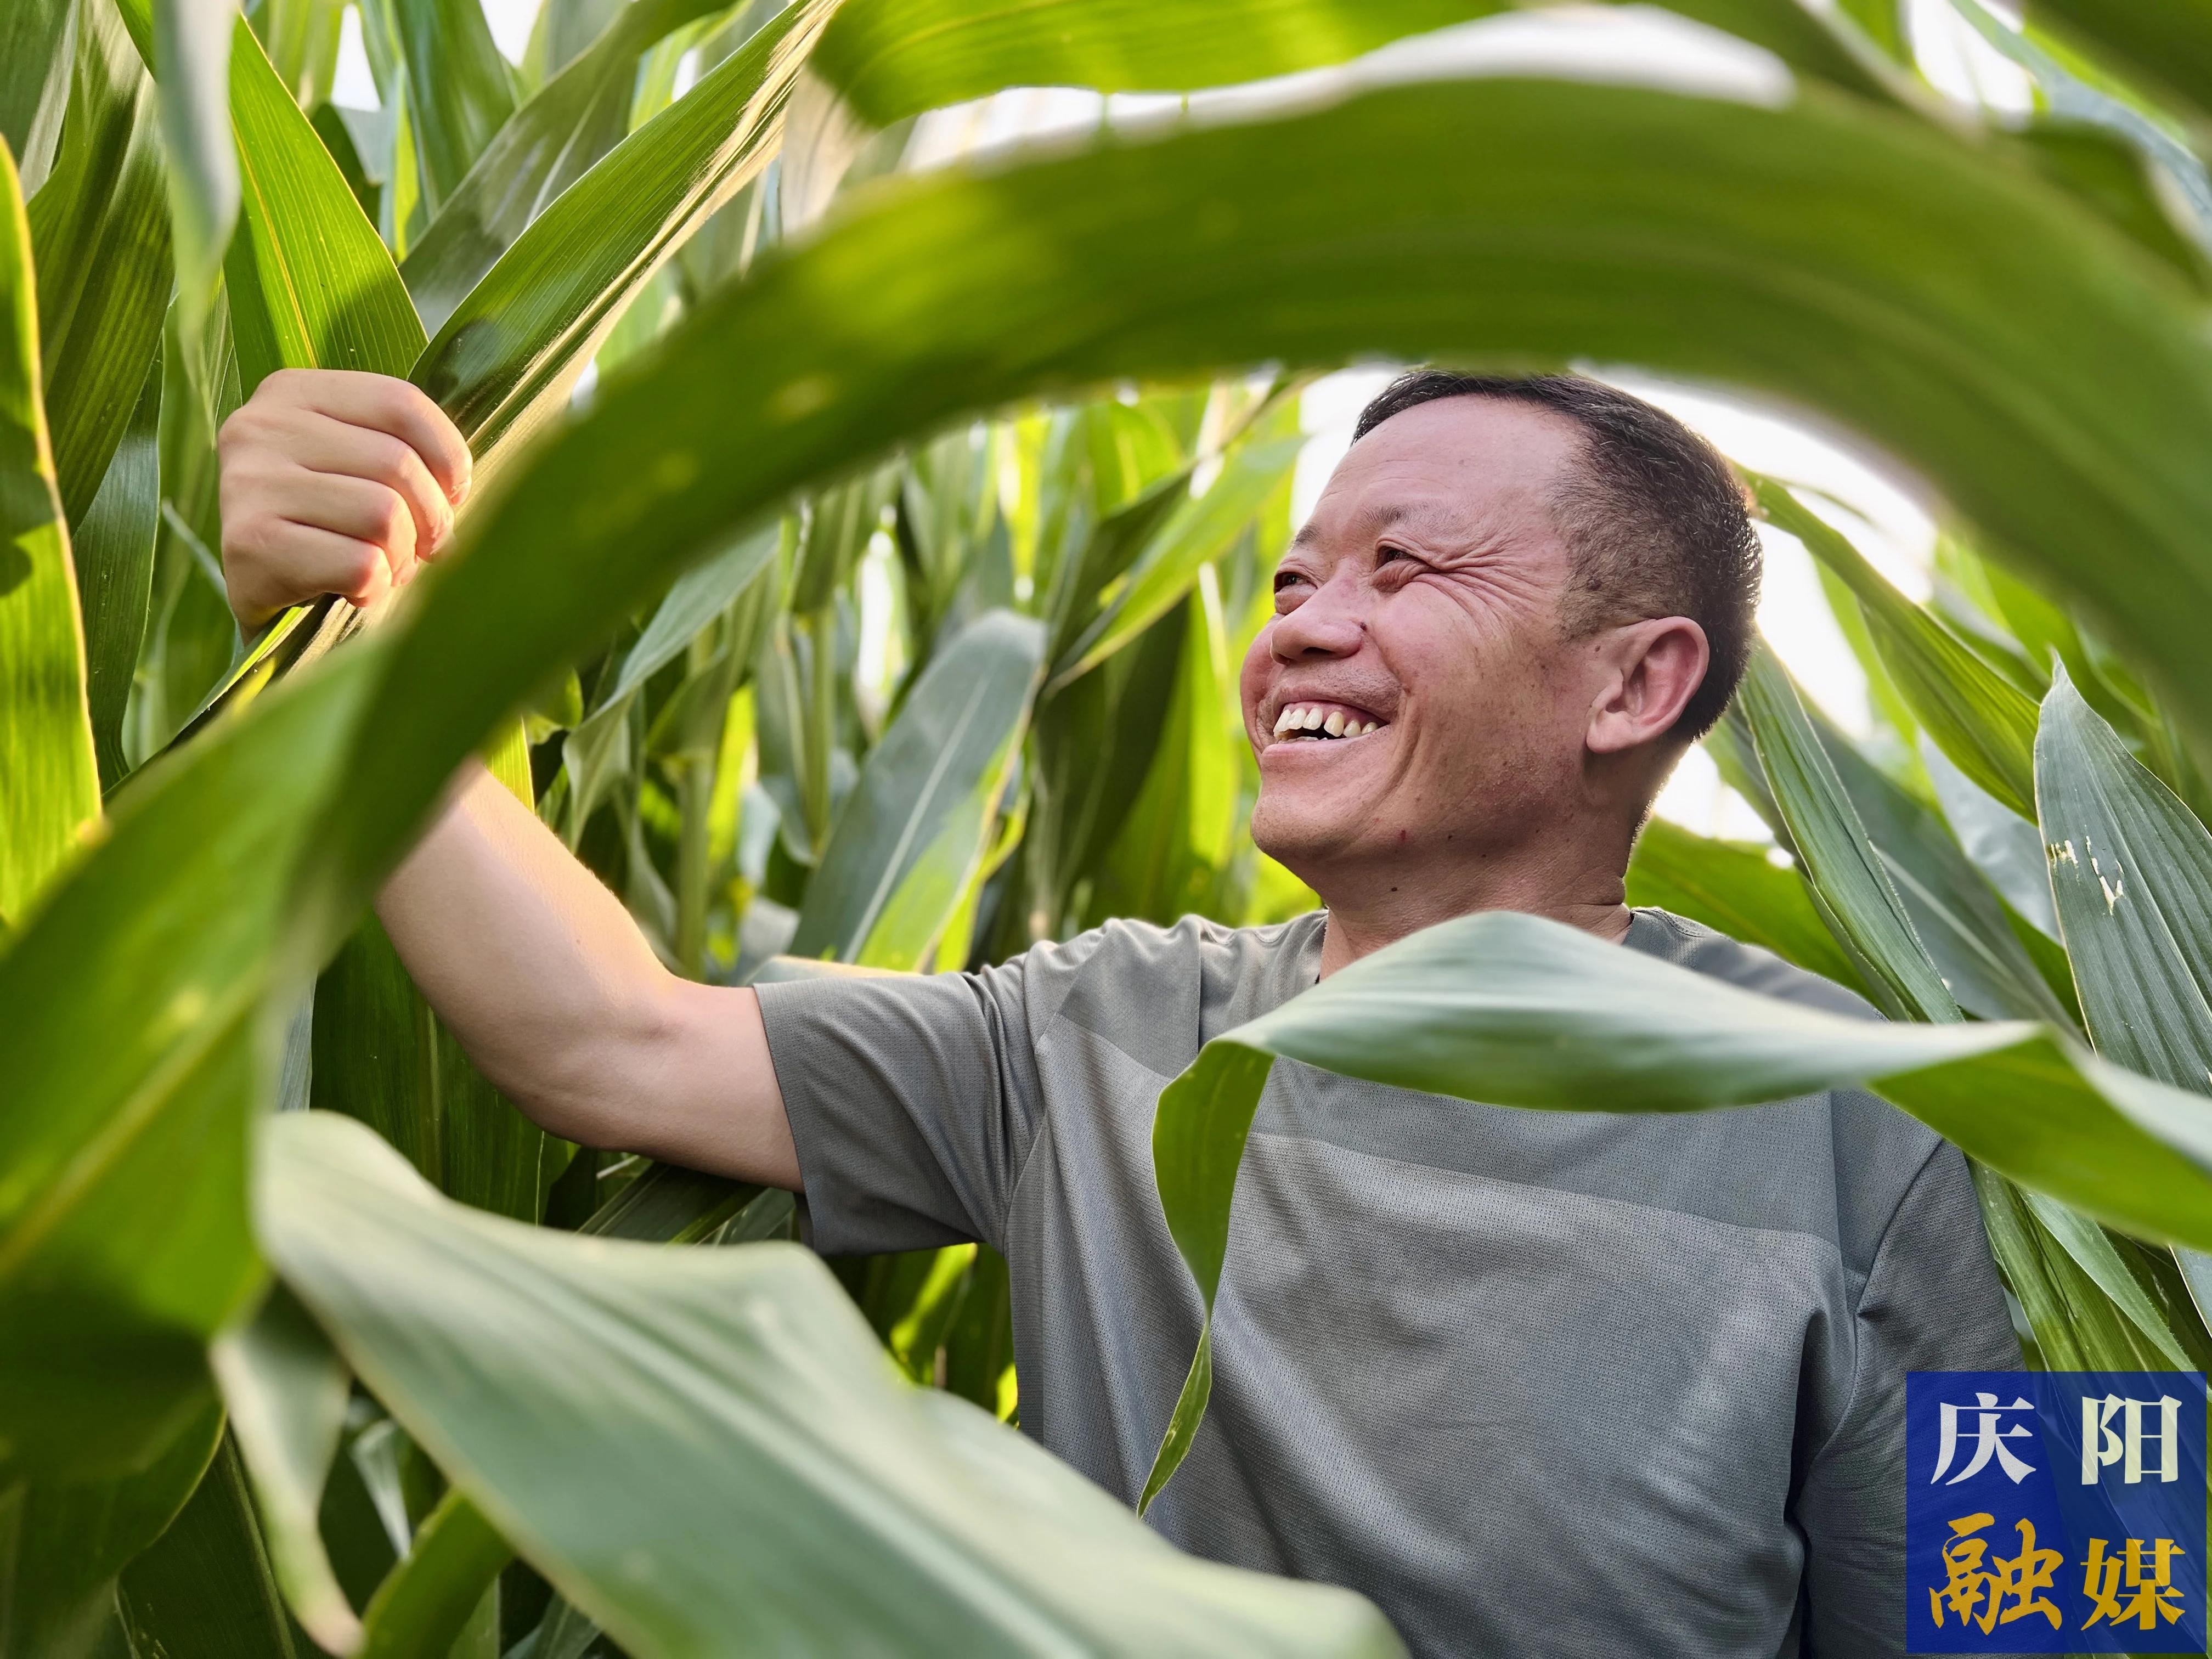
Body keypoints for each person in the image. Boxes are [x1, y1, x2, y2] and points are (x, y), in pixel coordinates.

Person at [219, 365, 2023, 1656]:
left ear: (1639, 680)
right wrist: (360, 642)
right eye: (1297, 574)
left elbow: (2056, 1617)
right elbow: (603, 1042)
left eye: (1407, 571)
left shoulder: (1892, 1130)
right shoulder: (1103, 1036)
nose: (1300, 627)